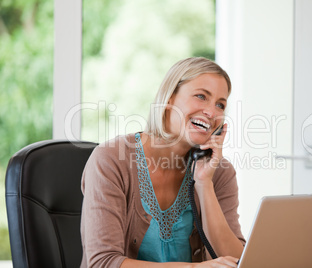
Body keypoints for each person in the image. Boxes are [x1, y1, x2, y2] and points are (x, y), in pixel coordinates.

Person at [80, 57, 245, 267]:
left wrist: (204, 185)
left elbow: (239, 262)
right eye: (201, 96)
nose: (212, 112)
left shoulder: (219, 172)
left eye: (220, 105)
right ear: (169, 99)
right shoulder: (111, 160)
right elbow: (102, 263)